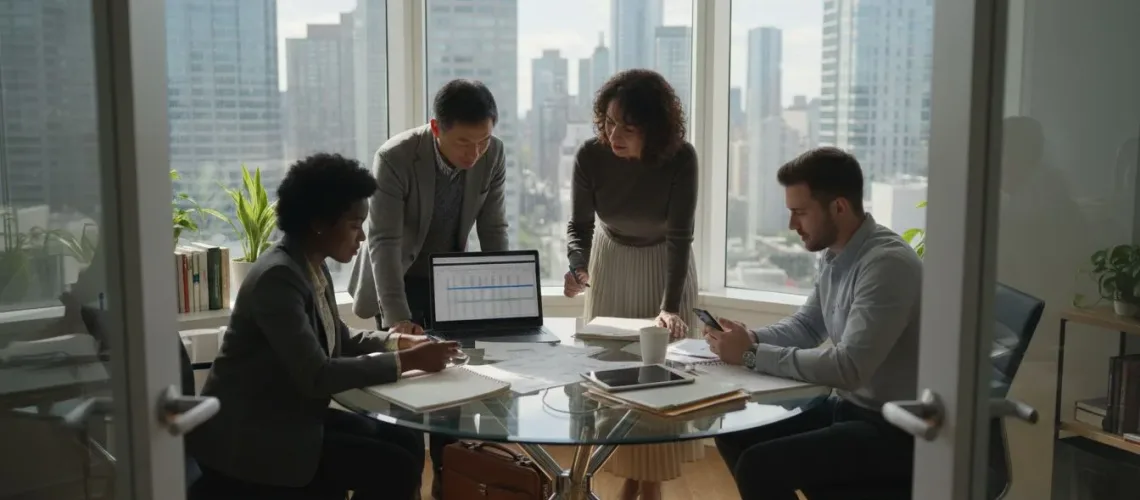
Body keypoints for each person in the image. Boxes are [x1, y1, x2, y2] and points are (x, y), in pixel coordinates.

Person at [187, 153, 460, 500]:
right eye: (354, 224)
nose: (362, 236)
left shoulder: (311, 264)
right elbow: (317, 375)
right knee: (396, 466)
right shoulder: (278, 278)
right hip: (252, 437)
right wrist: (410, 361)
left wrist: (397, 342)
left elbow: (338, 338)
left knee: (404, 439)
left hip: (289, 417)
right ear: (319, 223)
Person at [704, 147, 922, 499]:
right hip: (850, 410)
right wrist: (747, 339)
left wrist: (751, 355)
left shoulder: (887, 266)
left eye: (800, 212)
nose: (792, 225)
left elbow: (848, 368)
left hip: (895, 428)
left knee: (760, 466)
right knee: (733, 433)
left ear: (839, 207)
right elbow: (807, 326)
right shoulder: (835, 253)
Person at [347, 79, 507, 493]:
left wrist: (503, 296)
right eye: (464, 142)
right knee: (404, 398)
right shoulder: (396, 157)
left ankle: (448, 484)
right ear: (437, 128)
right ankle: (404, 484)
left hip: (449, 281)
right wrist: (398, 319)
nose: (475, 153)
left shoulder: (493, 154)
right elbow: (384, 241)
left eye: (483, 141)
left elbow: (493, 228)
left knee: (452, 392)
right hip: (396, 279)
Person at [563, 68, 699, 500]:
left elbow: (680, 237)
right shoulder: (591, 156)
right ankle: (628, 483)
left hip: (666, 266)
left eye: (628, 127)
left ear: (653, 130)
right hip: (612, 262)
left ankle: (646, 486)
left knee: (658, 382)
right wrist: (578, 267)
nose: (613, 134)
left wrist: (670, 307)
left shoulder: (682, 159)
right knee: (613, 380)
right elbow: (579, 226)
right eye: (608, 122)